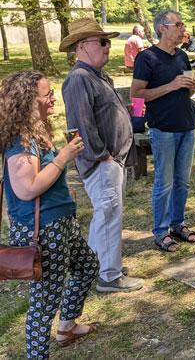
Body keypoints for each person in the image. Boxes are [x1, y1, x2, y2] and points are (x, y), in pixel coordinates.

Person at [0, 71, 99, 358]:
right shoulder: (20, 140)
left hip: (61, 220)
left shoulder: (39, 129)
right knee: (44, 304)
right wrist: (63, 157)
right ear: (28, 101)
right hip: (43, 230)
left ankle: (66, 326)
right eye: (46, 94)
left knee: (87, 266)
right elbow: (27, 189)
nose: (53, 98)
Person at [60, 18, 145, 292]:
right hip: (102, 162)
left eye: (107, 41)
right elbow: (81, 125)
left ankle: (93, 270)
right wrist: (103, 156)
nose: (108, 47)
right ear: (82, 46)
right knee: (108, 217)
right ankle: (109, 276)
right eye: (103, 42)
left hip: (111, 161)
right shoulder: (78, 78)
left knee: (106, 216)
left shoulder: (96, 75)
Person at [131, 10, 195, 252]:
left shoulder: (182, 56)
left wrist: (191, 86)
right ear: (163, 28)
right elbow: (136, 95)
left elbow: (187, 92)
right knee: (165, 182)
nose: (183, 29)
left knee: (183, 182)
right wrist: (171, 85)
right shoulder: (147, 58)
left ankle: (178, 224)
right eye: (178, 25)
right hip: (163, 129)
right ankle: (161, 231)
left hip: (186, 126)